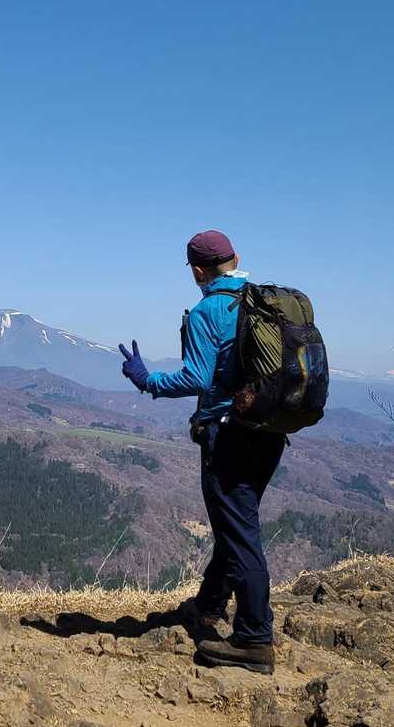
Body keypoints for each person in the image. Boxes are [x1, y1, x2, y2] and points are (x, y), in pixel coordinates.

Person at [118, 230, 285, 675]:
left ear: (196, 271)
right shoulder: (263, 303)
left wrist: (146, 380)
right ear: (236, 258)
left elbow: (196, 378)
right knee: (236, 525)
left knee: (241, 535)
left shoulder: (208, 311)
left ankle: (254, 639)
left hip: (229, 436)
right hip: (270, 433)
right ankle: (209, 604)